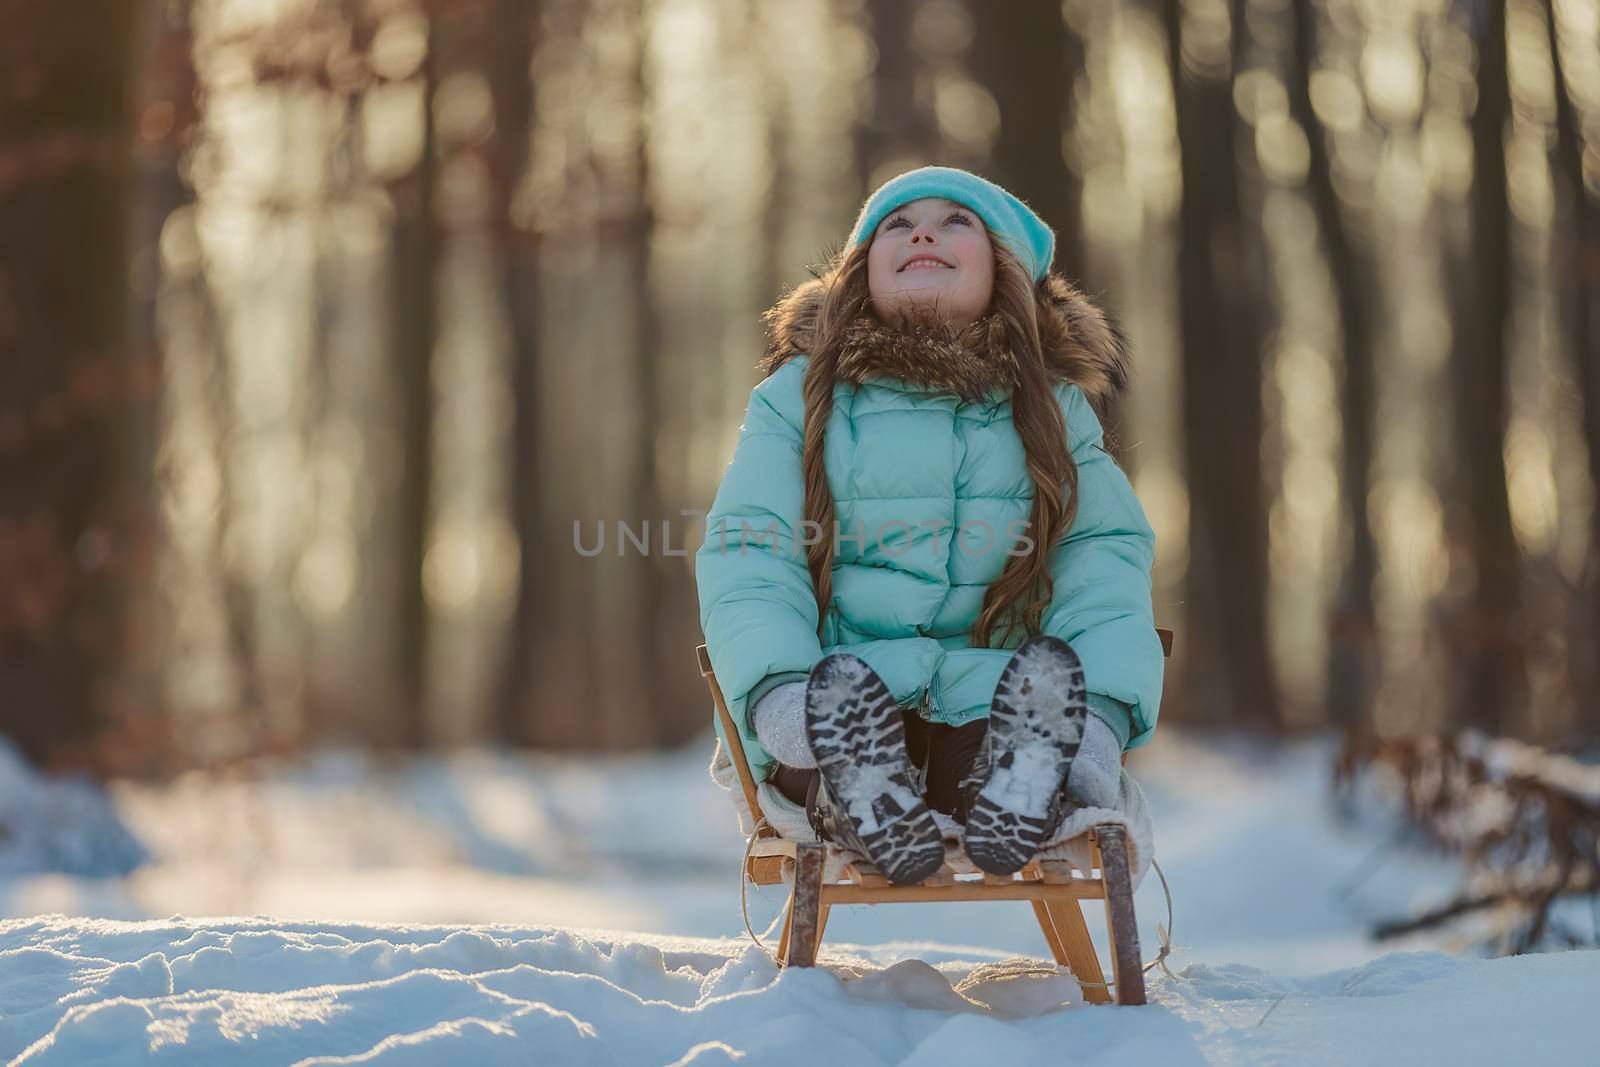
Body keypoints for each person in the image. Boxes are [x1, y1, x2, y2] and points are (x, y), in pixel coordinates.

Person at [695, 166, 1163, 885]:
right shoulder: (798, 398)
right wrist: (781, 691)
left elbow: (1102, 564)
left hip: (989, 691)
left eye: (956, 222)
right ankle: (860, 792)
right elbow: (751, 548)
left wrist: (1097, 712)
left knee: (992, 749)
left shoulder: (1051, 409)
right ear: (861, 275)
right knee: (834, 745)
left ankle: (1014, 785)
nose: (923, 232)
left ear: (1004, 268)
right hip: (837, 689)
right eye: (896, 224)